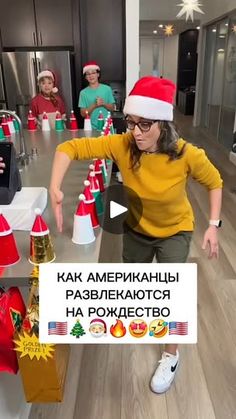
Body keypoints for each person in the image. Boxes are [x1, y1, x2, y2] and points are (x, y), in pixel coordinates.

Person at [49, 76, 223, 394]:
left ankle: (171, 355)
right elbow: (69, 147)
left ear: (163, 124)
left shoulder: (187, 154)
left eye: (145, 125)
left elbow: (215, 182)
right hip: (137, 228)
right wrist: (55, 187)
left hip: (175, 231)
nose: (137, 132)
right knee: (136, 283)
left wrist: (213, 224)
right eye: (131, 123)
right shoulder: (123, 145)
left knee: (171, 294)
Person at [79, 61, 115, 130]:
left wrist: (103, 104)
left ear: (98, 74)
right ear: (86, 77)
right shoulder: (83, 93)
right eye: (88, 74)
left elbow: (112, 108)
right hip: (91, 128)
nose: (91, 76)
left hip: (107, 127)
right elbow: (83, 114)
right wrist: (94, 105)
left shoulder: (107, 89)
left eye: (93, 73)